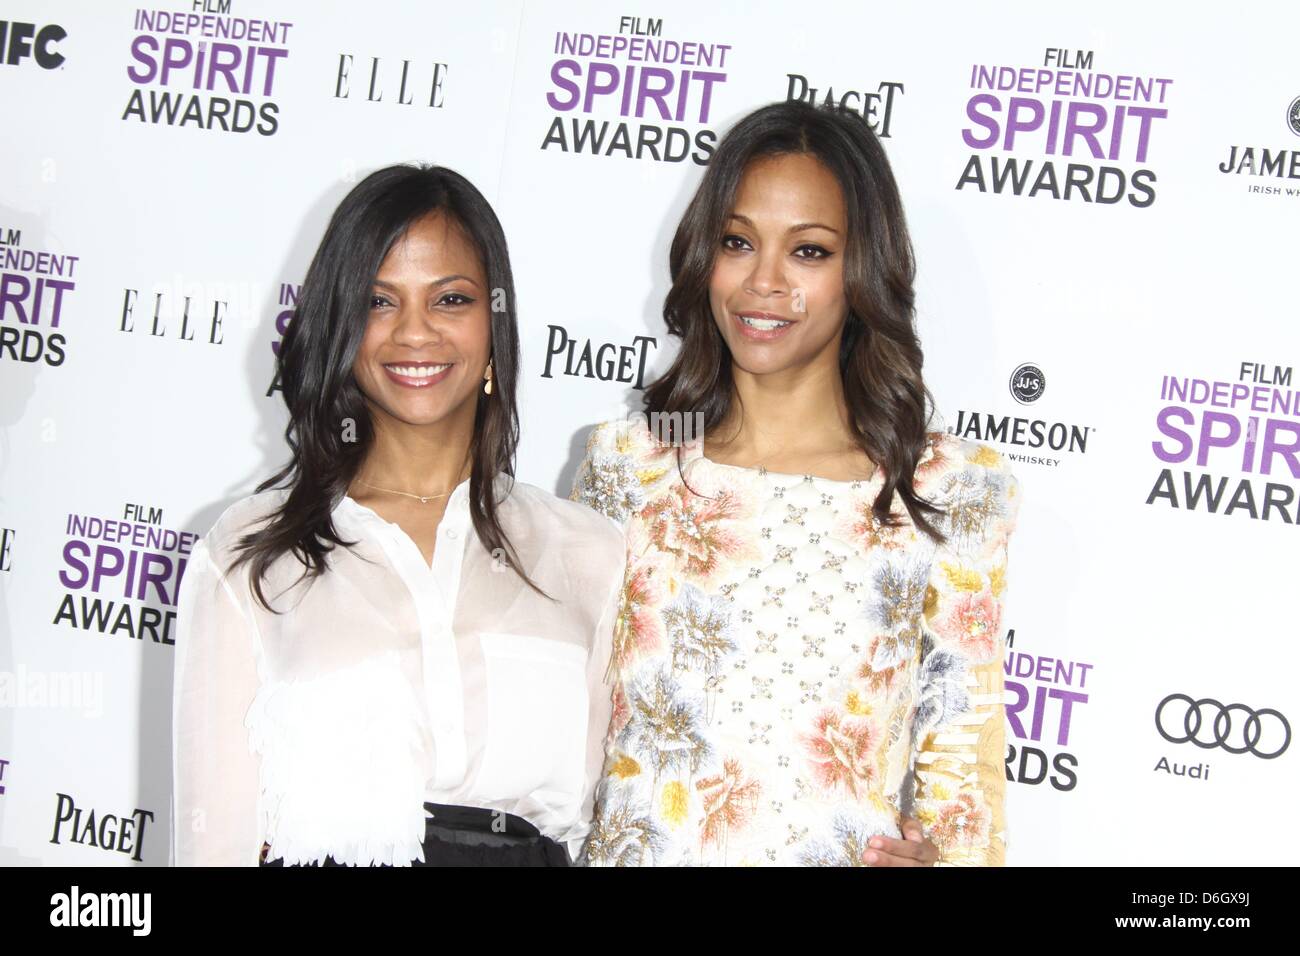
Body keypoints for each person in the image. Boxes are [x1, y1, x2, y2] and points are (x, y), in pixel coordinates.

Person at [571, 100, 1023, 866]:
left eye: (808, 251)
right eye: (738, 242)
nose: (764, 283)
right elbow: (565, 725)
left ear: (862, 271)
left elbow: (965, 768)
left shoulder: (944, 487)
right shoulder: (633, 463)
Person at [171, 164, 623, 867]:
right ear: (343, 329)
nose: (415, 332)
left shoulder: (592, 554)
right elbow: (211, 847)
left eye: (450, 299)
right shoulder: (250, 555)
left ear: (492, 327)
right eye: (380, 302)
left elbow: (616, 826)